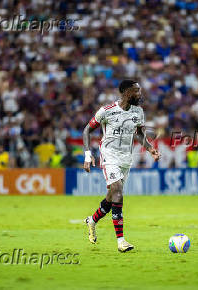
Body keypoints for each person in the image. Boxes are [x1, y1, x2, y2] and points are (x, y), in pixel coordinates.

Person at [82, 80, 160, 252]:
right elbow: (87, 129)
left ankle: (92, 220)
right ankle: (121, 242)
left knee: (112, 197)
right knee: (118, 191)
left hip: (126, 159)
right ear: (126, 93)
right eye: (136, 91)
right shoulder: (107, 111)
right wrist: (88, 155)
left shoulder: (138, 112)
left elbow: (139, 135)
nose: (140, 95)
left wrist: (150, 149)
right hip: (109, 155)